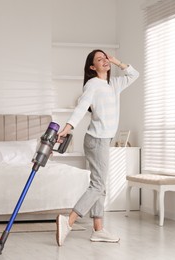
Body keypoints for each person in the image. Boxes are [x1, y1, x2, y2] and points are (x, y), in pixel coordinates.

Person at [55, 49, 139, 246]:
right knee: (98, 185)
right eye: (99, 59)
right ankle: (69, 221)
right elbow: (81, 108)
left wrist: (116, 61)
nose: (104, 61)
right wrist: (67, 128)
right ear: (93, 67)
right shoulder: (92, 85)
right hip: (96, 140)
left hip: (103, 140)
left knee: (100, 186)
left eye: (105, 57)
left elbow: (134, 74)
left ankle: (98, 230)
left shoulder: (113, 84)